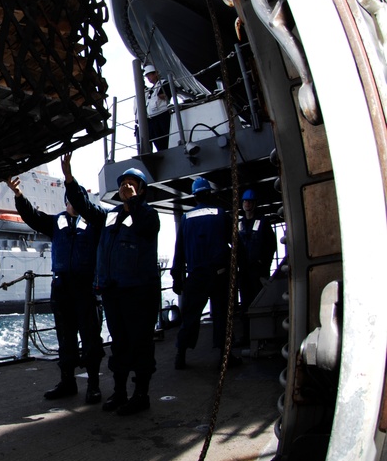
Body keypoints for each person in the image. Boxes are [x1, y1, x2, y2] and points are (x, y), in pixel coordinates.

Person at [7, 152, 105, 404]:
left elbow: (83, 204)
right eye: (69, 200)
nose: (71, 203)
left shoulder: (95, 223)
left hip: (85, 286)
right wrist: (18, 196)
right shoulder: (55, 223)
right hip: (61, 286)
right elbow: (32, 217)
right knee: (65, 335)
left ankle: (93, 383)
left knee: (91, 336)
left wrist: (69, 177)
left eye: (75, 199)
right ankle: (67, 381)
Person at [70, 167, 160, 416]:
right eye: (123, 185)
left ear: (141, 190)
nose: (125, 188)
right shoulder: (110, 215)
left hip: (139, 292)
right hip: (113, 291)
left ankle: (141, 394)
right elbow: (86, 207)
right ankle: (119, 391)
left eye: (132, 184)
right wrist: (70, 179)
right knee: (119, 344)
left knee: (141, 343)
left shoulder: (149, 214)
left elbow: (146, 228)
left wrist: (133, 202)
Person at [172, 177, 236, 369]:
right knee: (222, 316)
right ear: (209, 193)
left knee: (190, 317)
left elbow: (180, 250)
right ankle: (225, 357)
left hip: (196, 276)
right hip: (219, 273)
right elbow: (234, 243)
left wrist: (176, 277)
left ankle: (180, 355)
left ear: (195, 196)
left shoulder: (185, 218)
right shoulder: (221, 213)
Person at [236, 189, 277, 341]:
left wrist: (263, 263)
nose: (247, 204)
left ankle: (262, 333)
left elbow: (271, 245)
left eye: (249, 201)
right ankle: (247, 334)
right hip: (244, 271)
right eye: (245, 201)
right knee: (245, 303)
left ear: (254, 204)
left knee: (260, 300)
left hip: (258, 270)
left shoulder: (263, 222)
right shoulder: (239, 223)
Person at [143, 63, 171, 152]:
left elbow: (167, 95)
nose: (148, 78)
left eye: (149, 75)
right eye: (147, 76)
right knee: (158, 141)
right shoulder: (152, 89)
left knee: (166, 139)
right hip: (153, 118)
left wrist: (160, 94)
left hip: (163, 115)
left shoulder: (164, 83)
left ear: (155, 74)